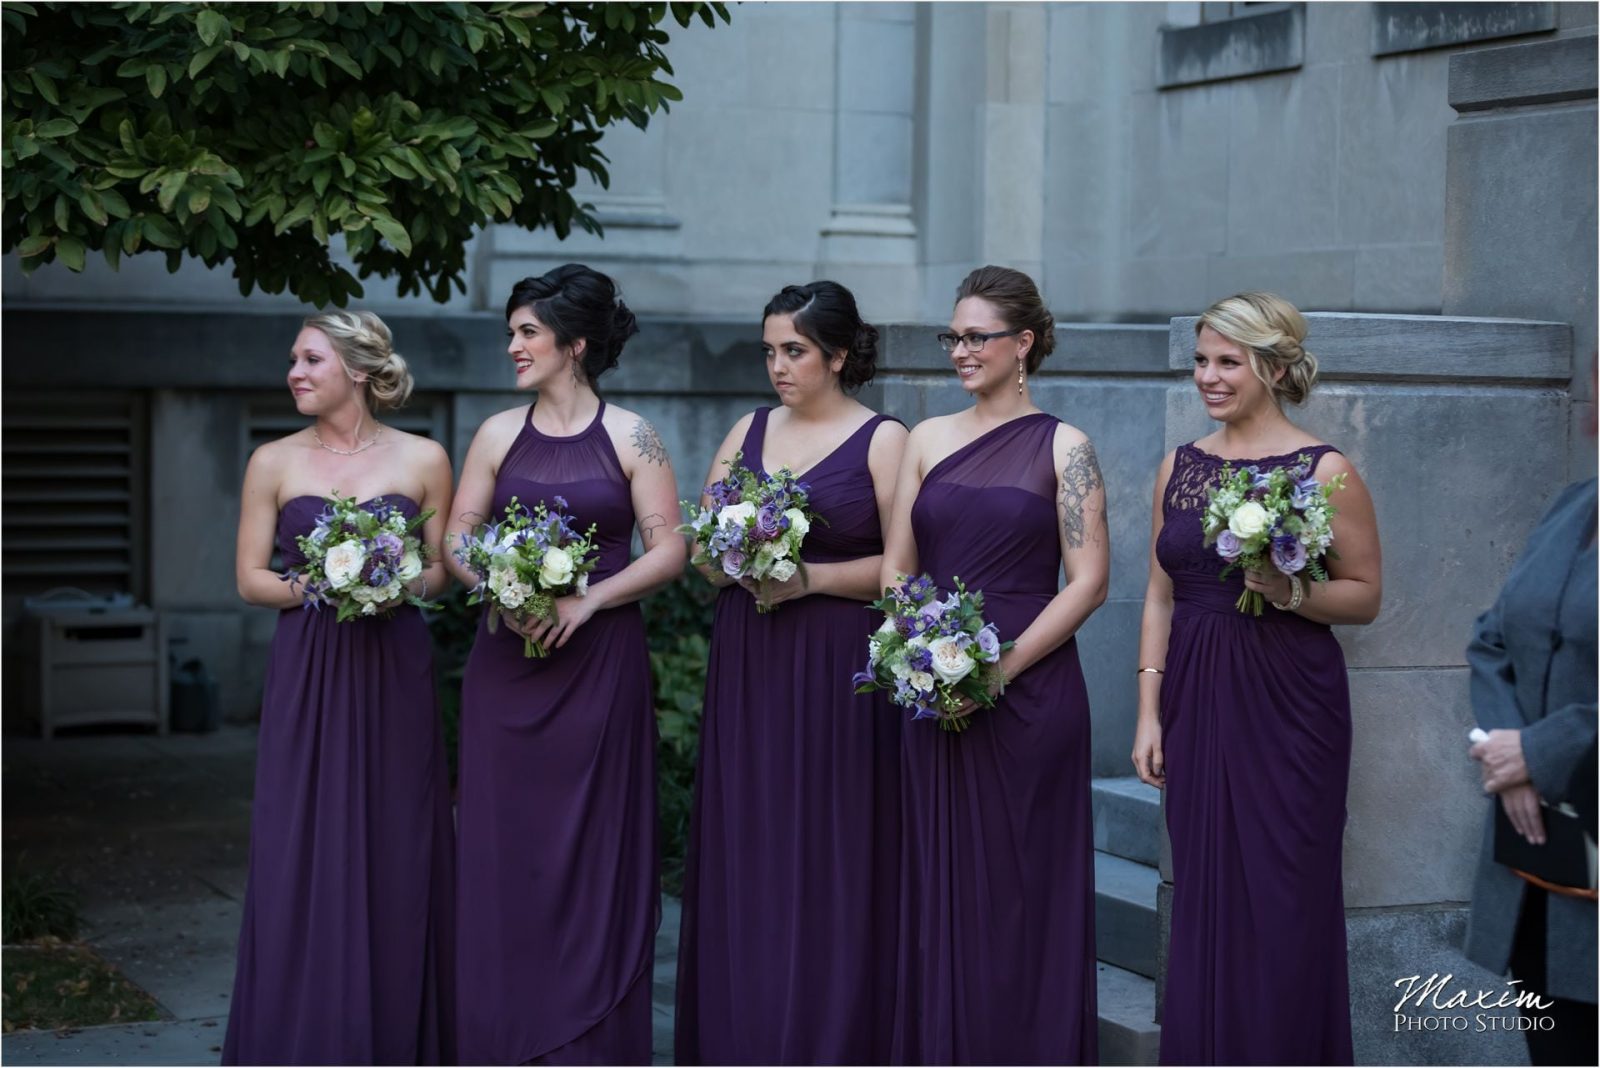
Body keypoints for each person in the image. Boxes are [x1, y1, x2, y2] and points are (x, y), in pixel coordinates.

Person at [1132, 292, 1381, 1065]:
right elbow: (1159, 593)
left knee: (1283, 897)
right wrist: (1148, 710)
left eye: (1227, 362)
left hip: (1289, 706)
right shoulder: (1180, 465)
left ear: (1271, 368)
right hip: (1197, 695)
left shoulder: (1325, 468)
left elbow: (1366, 596)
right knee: (1207, 893)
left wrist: (1290, 591)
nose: (1208, 376)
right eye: (1201, 360)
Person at [446, 264, 686, 1065]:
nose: (513, 345)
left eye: (527, 332)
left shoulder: (633, 435)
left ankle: (588, 1035)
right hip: (505, 671)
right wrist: (495, 585)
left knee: (590, 847)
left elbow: (672, 549)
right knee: (504, 846)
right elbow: (455, 538)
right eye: (512, 332)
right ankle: (501, 1030)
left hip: (597, 669)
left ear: (574, 345)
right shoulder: (495, 434)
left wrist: (590, 599)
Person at [879, 265, 1108, 1064]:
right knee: (940, 889)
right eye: (955, 336)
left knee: (1021, 893)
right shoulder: (924, 437)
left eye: (977, 337)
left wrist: (995, 673)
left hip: (1028, 694)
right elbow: (897, 570)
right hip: (930, 693)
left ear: (1025, 344)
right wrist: (918, 656)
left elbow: (1090, 582)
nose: (961, 351)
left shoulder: (1066, 446)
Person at [674, 281, 908, 1064]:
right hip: (752, 653)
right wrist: (735, 556)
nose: (777, 365)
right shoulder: (746, 428)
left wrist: (808, 577)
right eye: (770, 350)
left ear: (838, 355)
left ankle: (829, 1034)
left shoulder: (883, 440)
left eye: (795, 351)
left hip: (837, 663)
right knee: (753, 839)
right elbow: (702, 549)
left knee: (831, 845)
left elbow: (904, 570)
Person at [226, 311, 456, 1065]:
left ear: (358, 369)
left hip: (394, 663)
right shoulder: (273, 462)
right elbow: (251, 579)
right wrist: (322, 585)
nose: (293, 372)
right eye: (292, 359)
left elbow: (440, 569)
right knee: (303, 839)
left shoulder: (424, 457)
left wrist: (394, 585)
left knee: (399, 835)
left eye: (310, 359)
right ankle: (304, 1031)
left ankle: (395, 1033)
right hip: (310, 667)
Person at [1464, 414, 1596, 1066]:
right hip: (1541, 852)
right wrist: (1510, 752)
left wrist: (1538, 753)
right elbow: (1491, 637)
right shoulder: (1573, 505)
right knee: (1555, 1044)